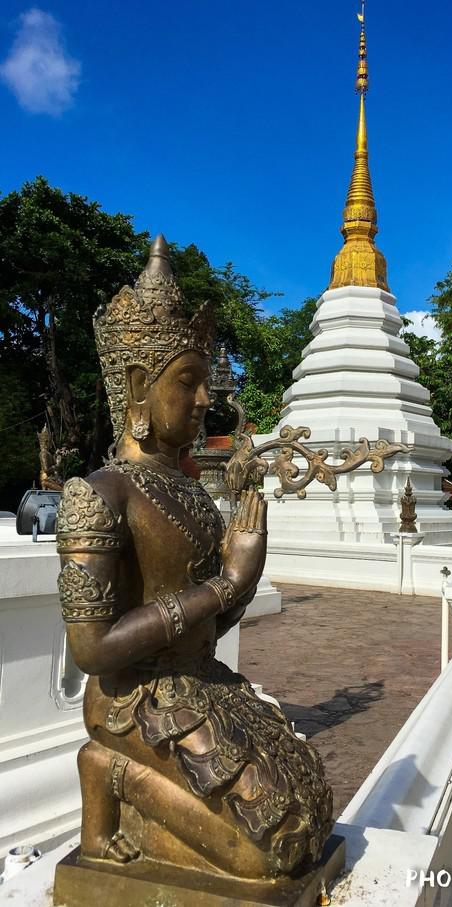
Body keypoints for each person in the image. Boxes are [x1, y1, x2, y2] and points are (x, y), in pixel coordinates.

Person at [55, 237, 332, 881]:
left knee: (308, 806)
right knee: (271, 851)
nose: (206, 399)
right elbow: (92, 651)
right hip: (132, 700)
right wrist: (228, 581)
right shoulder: (96, 496)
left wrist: (243, 579)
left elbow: (204, 628)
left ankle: (121, 778)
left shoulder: (190, 494)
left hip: (199, 684)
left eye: (206, 381)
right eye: (189, 381)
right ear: (134, 386)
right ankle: (111, 772)